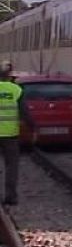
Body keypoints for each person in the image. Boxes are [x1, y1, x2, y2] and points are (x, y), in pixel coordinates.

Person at [0, 61, 34, 206]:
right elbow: (25, 113)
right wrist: (33, 128)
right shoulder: (16, 90)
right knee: (11, 166)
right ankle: (10, 196)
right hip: (10, 135)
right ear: (9, 75)